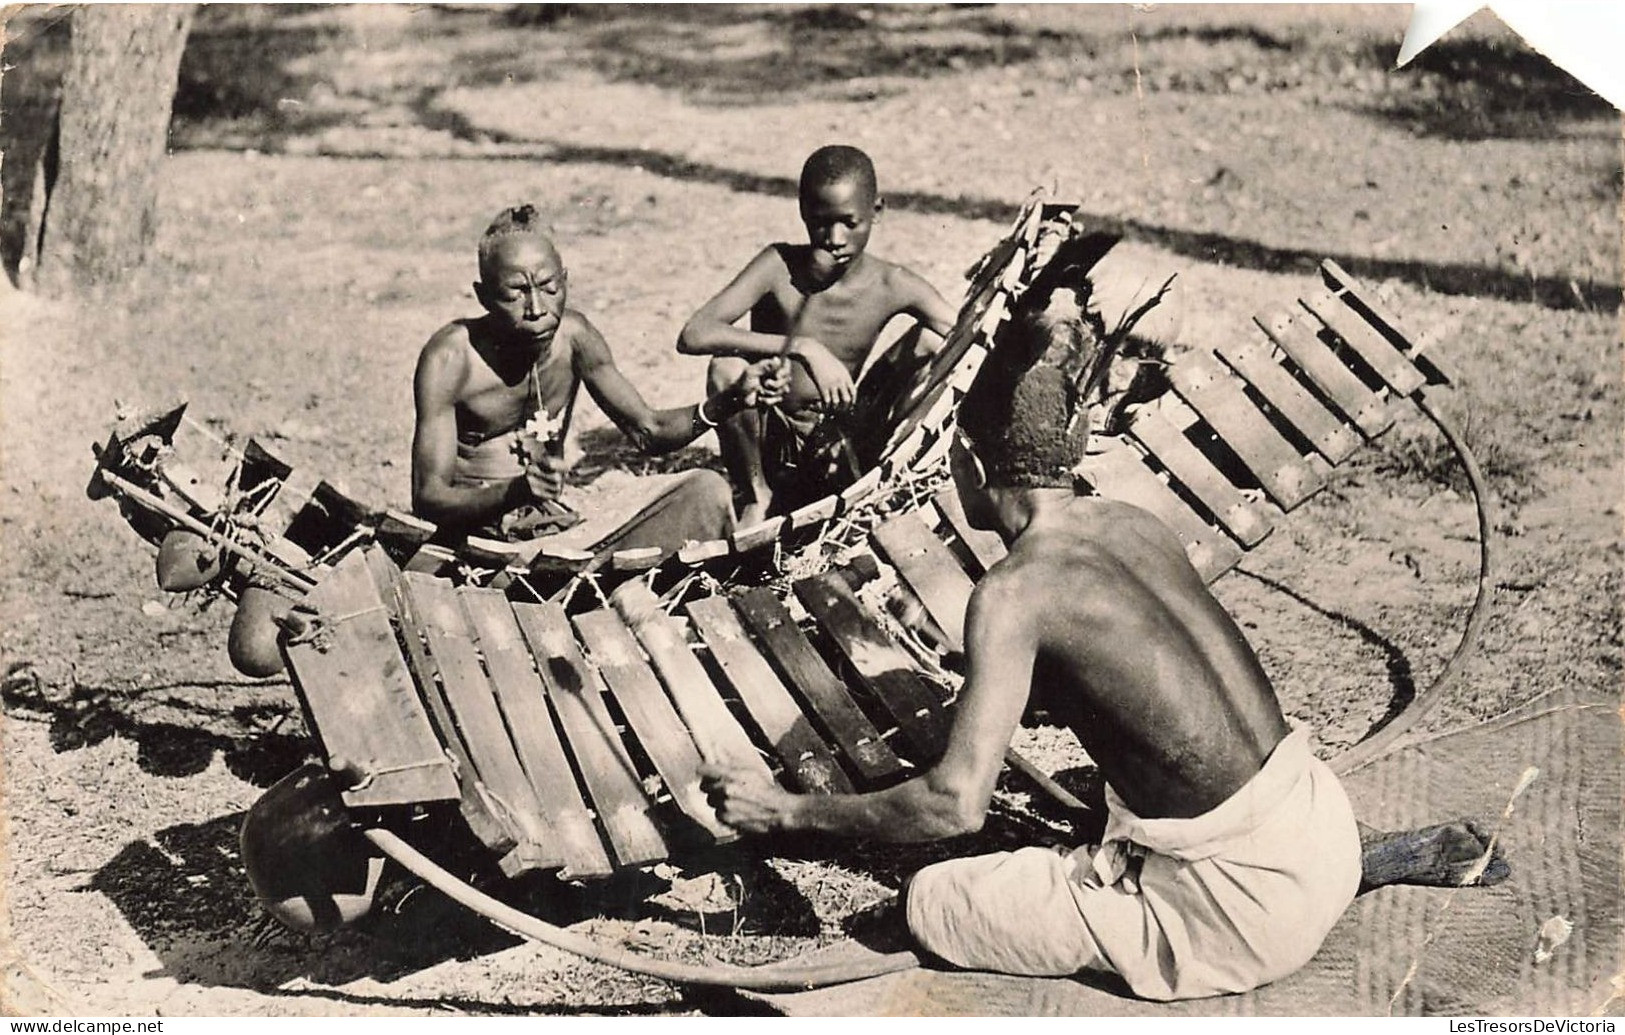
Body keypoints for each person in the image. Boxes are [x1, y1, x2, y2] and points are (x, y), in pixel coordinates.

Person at [700, 246, 1507, 1001]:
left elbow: (953, 807)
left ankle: (1157, 896)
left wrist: (786, 811)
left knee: (935, 898)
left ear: (972, 469)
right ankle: (1344, 863)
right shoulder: (1131, 522)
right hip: (1318, 820)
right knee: (1116, 794)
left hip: (1243, 913)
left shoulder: (1015, 591)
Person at [411, 203, 790, 562]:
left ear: (566, 282)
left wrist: (731, 400)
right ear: (483, 296)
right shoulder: (451, 359)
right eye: (515, 293)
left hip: (559, 528)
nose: (537, 309)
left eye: (548, 288)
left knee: (706, 491)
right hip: (484, 541)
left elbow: (650, 431)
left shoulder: (575, 339)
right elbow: (428, 498)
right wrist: (515, 492)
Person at [678, 145, 959, 524]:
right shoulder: (779, 266)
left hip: (843, 435)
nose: (834, 237)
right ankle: (757, 495)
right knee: (726, 367)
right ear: (802, 212)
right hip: (772, 434)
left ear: (876, 212)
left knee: (931, 341)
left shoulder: (893, 282)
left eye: (849, 222)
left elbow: (961, 331)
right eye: (820, 222)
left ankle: (881, 476)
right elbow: (695, 333)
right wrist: (804, 349)